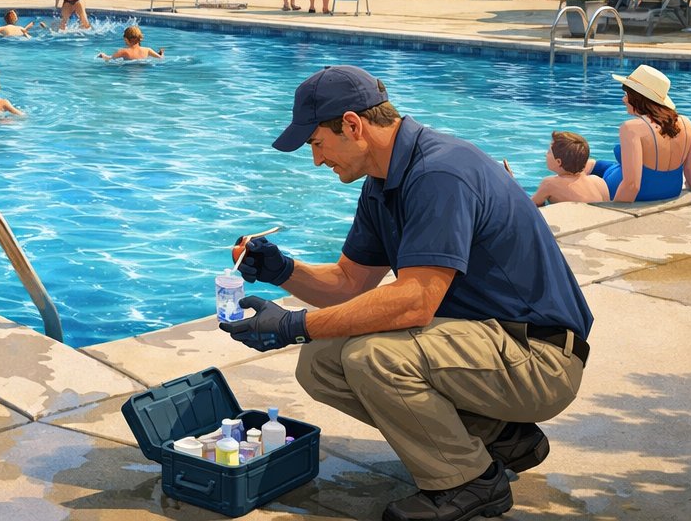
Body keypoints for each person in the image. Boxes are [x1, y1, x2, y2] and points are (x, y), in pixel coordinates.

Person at [221, 65, 591, 521]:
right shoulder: (383, 181)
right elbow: (349, 285)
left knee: (372, 357)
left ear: (353, 125)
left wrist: (293, 325)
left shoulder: (440, 172)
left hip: (540, 356)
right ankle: (500, 434)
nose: (316, 160)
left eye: (316, 143)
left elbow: (416, 301)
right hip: (489, 343)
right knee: (320, 363)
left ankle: (470, 482)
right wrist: (281, 271)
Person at [589, 65, 691, 203]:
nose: (623, 99)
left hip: (633, 193)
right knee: (594, 164)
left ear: (638, 98)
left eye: (626, 94)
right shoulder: (686, 123)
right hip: (671, 190)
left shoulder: (631, 128)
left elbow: (632, 186)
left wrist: (614, 211)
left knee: (584, 175)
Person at [530, 131, 609, 206]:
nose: (545, 155)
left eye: (548, 152)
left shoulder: (549, 183)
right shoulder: (598, 181)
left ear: (558, 162)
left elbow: (530, 206)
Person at [98, 24, 164, 61]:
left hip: (127, 72)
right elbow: (161, 58)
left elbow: (109, 59)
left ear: (126, 39)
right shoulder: (147, 50)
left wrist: (103, 55)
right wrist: (162, 53)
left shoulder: (123, 51)